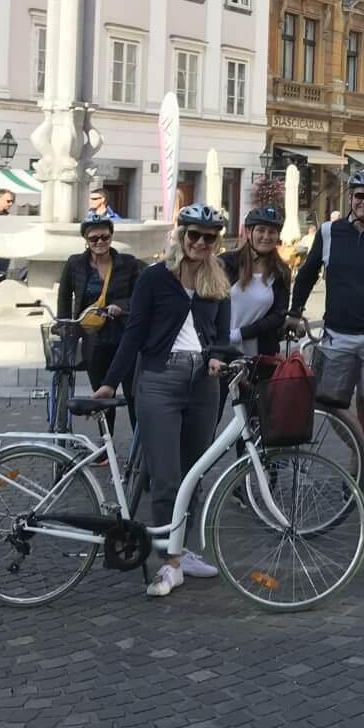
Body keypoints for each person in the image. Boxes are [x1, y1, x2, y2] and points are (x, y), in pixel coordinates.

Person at [95, 205, 233, 597]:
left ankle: (182, 549)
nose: (200, 243)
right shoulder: (155, 278)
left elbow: (222, 334)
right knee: (166, 477)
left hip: (204, 383)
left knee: (194, 473)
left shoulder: (218, 280)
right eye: (194, 235)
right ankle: (168, 564)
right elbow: (134, 333)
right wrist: (110, 383)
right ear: (180, 234)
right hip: (159, 379)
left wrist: (219, 356)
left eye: (209, 237)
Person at [287, 170, 364, 499]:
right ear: (350, 198)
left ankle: (356, 473)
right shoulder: (330, 232)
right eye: (359, 196)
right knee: (329, 403)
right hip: (337, 335)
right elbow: (306, 274)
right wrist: (295, 310)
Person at [57, 212, 140, 433]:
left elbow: (142, 296)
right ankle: (106, 444)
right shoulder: (75, 264)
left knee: (133, 393)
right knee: (102, 393)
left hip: (125, 337)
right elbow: (64, 296)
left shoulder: (128, 264)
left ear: (111, 237)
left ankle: (141, 448)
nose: (100, 242)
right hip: (93, 338)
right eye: (94, 239)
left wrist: (122, 306)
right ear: (86, 240)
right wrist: (65, 326)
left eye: (104, 237)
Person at [220, 206, 292, 418]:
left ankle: (249, 453)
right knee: (208, 418)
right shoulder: (227, 263)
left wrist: (241, 333)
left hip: (257, 356)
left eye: (272, 232)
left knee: (253, 422)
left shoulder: (281, 272)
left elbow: (278, 316)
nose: (266, 236)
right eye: (261, 230)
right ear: (249, 232)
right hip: (220, 350)